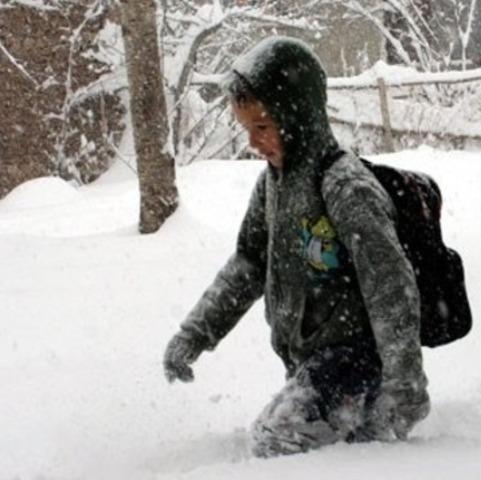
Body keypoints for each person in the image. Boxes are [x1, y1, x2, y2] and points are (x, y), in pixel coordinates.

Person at [162, 36, 429, 457]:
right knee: (314, 444)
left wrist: (405, 381)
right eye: (247, 129)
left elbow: (391, 287)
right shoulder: (272, 184)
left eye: (262, 127)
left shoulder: (344, 185)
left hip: (358, 361)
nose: (253, 142)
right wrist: (196, 333)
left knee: (278, 439)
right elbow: (248, 264)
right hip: (313, 363)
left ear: (297, 116)